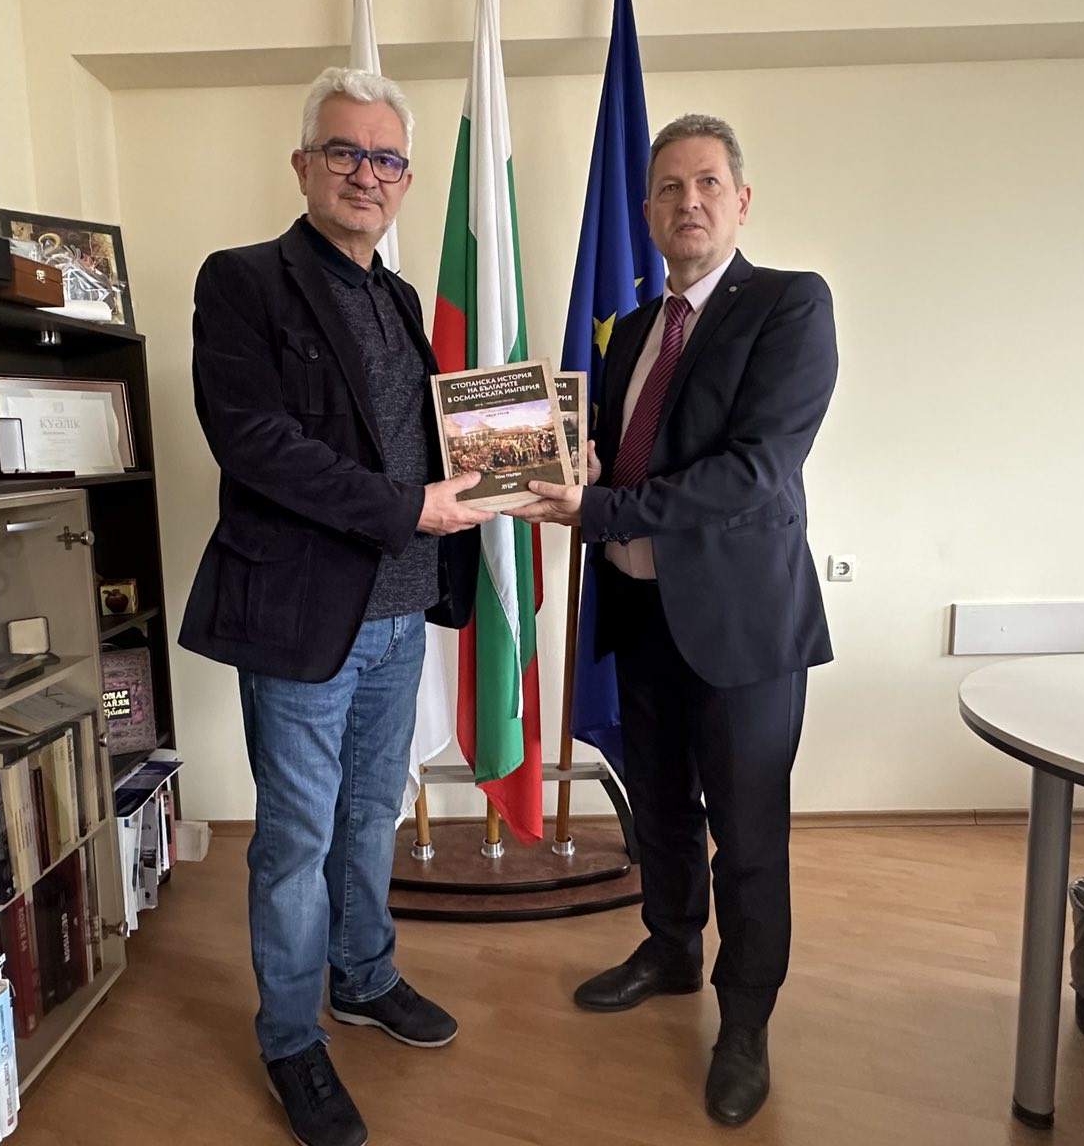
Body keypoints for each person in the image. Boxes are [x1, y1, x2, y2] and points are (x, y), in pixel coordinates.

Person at [179, 66, 491, 1146]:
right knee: (296, 836)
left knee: (368, 816)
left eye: (387, 158)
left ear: (405, 178)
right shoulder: (243, 281)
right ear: (304, 165)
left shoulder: (396, 298)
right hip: (303, 620)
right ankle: (289, 1038)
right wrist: (411, 507)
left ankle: (362, 976)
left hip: (400, 613)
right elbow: (256, 444)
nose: (368, 174)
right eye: (346, 152)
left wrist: (522, 459)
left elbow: (424, 439)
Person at [510, 113, 838, 1126]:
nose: (686, 202)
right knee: (657, 806)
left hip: (741, 629)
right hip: (642, 611)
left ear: (740, 201)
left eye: (705, 184)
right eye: (667, 188)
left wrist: (600, 507)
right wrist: (573, 467)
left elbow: (754, 472)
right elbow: (621, 456)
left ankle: (745, 1021)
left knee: (748, 833)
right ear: (647, 210)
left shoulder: (789, 305)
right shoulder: (630, 331)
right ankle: (668, 948)